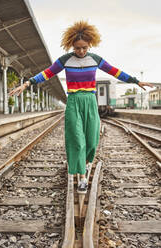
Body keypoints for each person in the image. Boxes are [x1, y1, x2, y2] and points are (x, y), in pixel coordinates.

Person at [9, 21, 153, 194]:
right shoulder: (65, 60)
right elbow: (46, 73)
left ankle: (85, 163)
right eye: (77, 48)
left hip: (90, 101)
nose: (81, 51)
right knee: (77, 139)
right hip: (74, 101)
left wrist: (136, 81)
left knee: (91, 139)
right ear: (71, 45)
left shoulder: (95, 59)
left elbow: (115, 72)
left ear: (89, 44)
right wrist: (27, 83)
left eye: (84, 47)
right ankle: (82, 177)